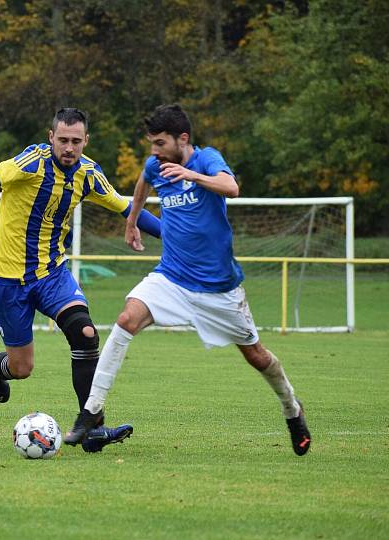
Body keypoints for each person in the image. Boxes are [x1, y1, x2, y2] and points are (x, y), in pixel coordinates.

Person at [63, 104, 312, 457]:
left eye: (160, 143)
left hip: (218, 288)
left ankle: (292, 410)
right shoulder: (156, 165)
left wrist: (191, 176)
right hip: (172, 276)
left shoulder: (207, 159)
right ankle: (90, 412)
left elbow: (231, 187)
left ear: (182, 139)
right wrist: (132, 220)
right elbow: (142, 182)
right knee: (125, 320)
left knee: (257, 357)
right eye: (151, 143)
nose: (154, 151)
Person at [0, 108, 162, 453]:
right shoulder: (31, 163)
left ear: (86, 141)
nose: (69, 147)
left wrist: (179, 240)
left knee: (85, 334)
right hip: (5, 280)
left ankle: (92, 427)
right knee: (22, 368)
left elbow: (129, 209)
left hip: (51, 274)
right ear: (51, 137)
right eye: (63, 140)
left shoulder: (88, 173)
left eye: (76, 141)